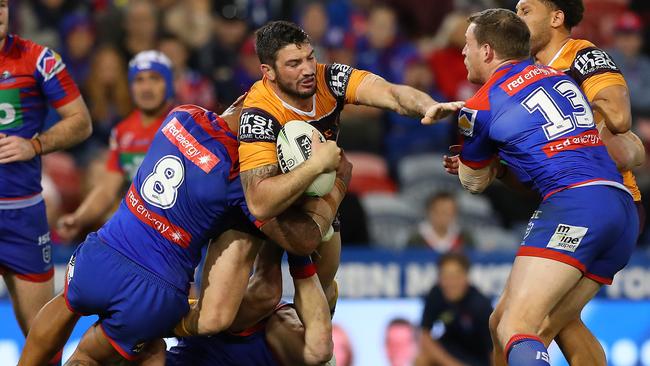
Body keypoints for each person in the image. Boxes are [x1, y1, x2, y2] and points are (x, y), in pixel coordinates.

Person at [18, 101, 347, 364]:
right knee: (131, 350)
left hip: (106, 251)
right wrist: (326, 179)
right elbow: (292, 260)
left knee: (69, 307)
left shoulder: (183, 116)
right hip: (157, 293)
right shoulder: (243, 187)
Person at [451, 9, 637, 365]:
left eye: (468, 45)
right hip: (622, 207)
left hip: (574, 205)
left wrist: (479, 156)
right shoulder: (557, 76)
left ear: (487, 51)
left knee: (516, 326)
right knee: (515, 323)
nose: (463, 53)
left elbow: (473, 181)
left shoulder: (479, 105)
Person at [238, 20, 462, 311]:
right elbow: (260, 202)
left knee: (325, 286)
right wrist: (318, 165)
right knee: (261, 292)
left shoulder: (330, 78)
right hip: (268, 196)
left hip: (317, 198)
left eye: (310, 57)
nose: (307, 69)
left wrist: (426, 104)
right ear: (268, 71)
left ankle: (311, 346)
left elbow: (390, 93)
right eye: (294, 63)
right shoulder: (258, 112)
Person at [510, 1, 645, 364]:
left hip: (603, 199)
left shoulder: (581, 55)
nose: (516, 17)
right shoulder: (526, 72)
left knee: (526, 326)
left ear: (556, 18)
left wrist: (576, 123)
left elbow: (618, 115)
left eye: (525, 10)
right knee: (563, 323)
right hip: (574, 201)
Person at [0, 1, 92, 364]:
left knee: (46, 347)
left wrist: (35, 144)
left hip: (24, 217)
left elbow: (80, 122)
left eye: (3, 3)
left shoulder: (39, 59)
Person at [57, 50, 175, 242]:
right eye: (139, 80)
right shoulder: (122, 132)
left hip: (178, 231)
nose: (146, 88)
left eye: (155, 78)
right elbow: (106, 189)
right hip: (140, 229)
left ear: (168, 84)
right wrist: (78, 218)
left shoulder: (185, 123)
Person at [166, 241, 335, 366]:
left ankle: (274, 220)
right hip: (266, 343)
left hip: (212, 333)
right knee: (319, 348)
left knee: (266, 294)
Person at [416, 253, 492, 366]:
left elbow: (494, 350)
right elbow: (425, 335)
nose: (450, 283)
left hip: (477, 358)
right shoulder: (436, 294)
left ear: (466, 277)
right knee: (421, 360)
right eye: (445, 276)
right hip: (449, 353)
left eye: (455, 276)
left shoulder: (481, 305)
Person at [409, 192, 473, 252]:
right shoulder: (416, 240)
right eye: (441, 211)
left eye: (450, 212)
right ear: (429, 212)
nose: (445, 217)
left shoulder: (464, 239)